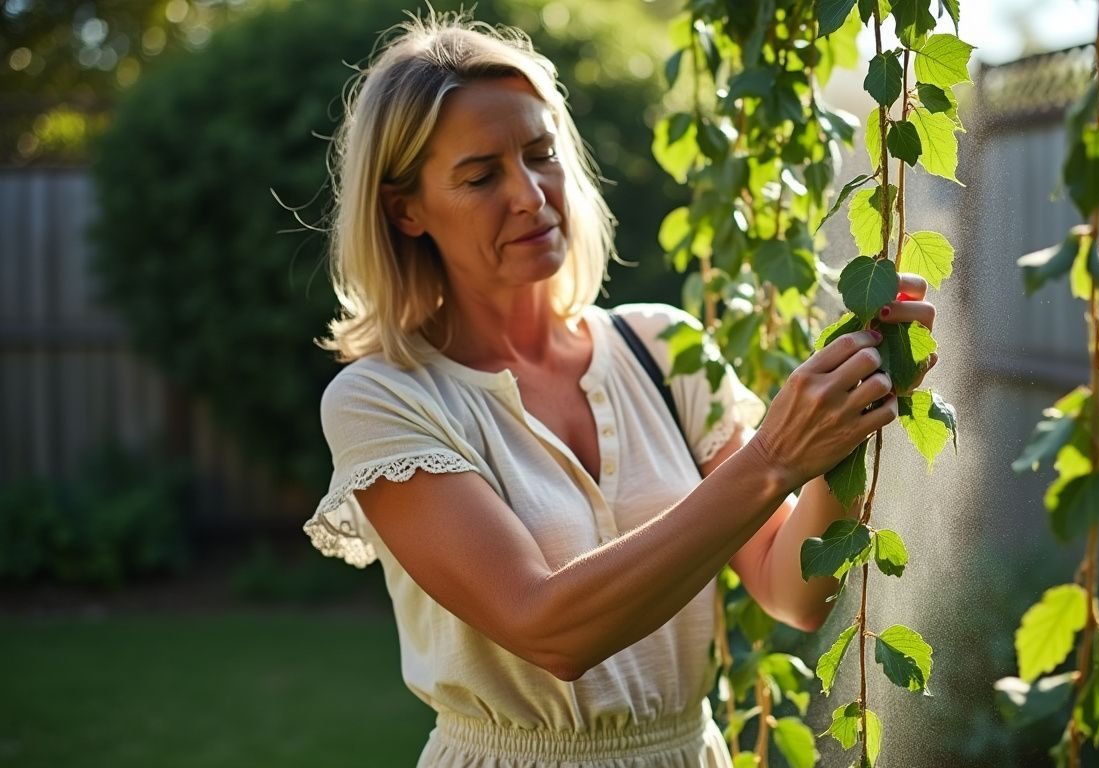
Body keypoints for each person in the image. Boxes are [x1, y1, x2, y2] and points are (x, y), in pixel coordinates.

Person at [303, 13, 938, 768]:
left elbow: (791, 591)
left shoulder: (662, 347)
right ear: (405, 209)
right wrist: (774, 455)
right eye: (480, 176)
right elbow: (549, 629)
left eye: (541, 155)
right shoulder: (383, 399)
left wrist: (848, 414)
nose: (533, 196)